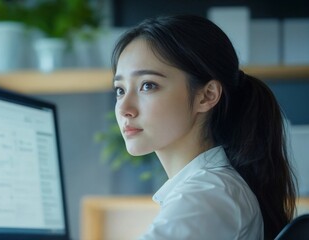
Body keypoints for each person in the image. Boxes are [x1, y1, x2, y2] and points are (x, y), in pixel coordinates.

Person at [112, 15, 297, 239]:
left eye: (148, 85)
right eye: (120, 90)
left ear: (207, 95)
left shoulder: (208, 195)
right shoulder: (211, 190)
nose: (124, 108)